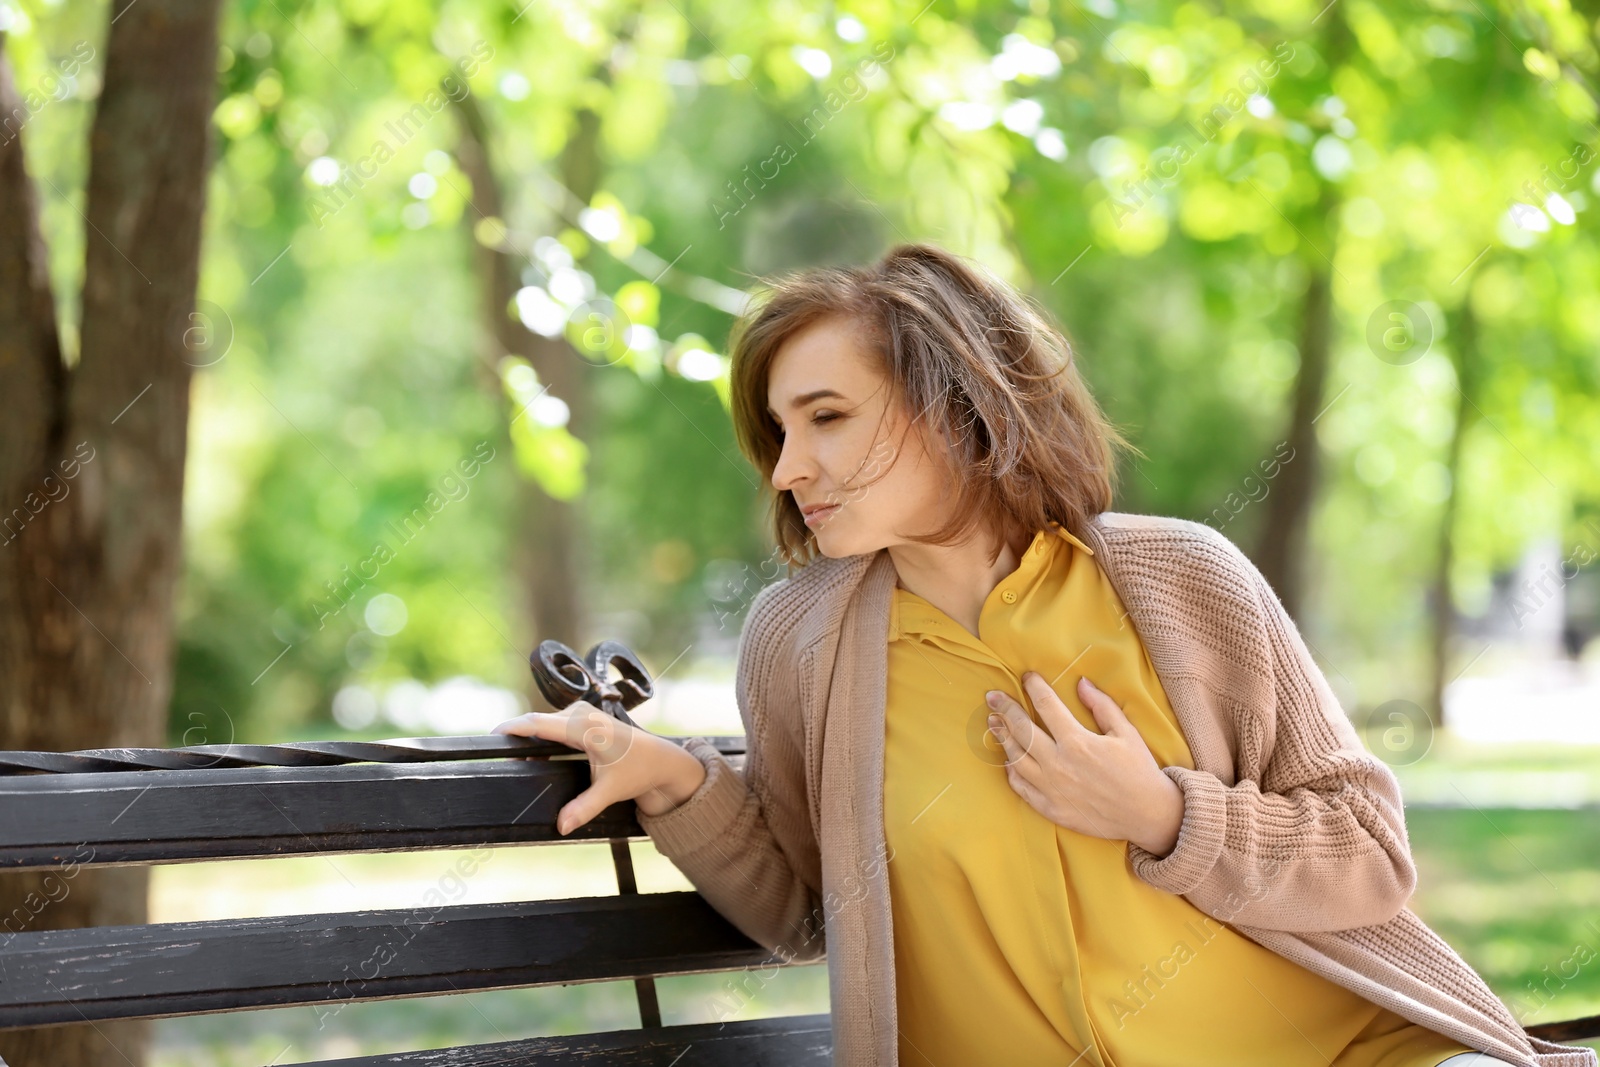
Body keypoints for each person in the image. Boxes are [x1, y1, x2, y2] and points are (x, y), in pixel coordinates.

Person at [492, 244, 1593, 1067]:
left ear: (955, 401)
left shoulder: (1180, 579)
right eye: (777, 434)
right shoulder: (802, 642)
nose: (789, 469)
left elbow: (1366, 856)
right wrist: (679, 781)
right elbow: (811, 912)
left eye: (826, 416)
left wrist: (1163, 813)